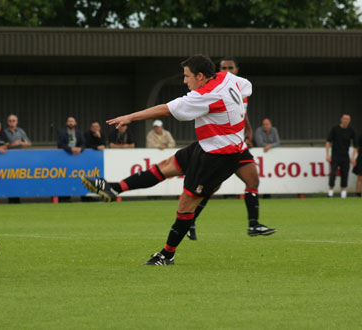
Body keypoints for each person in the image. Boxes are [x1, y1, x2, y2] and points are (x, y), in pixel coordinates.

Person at [81, 54, 257, 265]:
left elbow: (166, 109)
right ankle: (115, 188)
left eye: (187, 76)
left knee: (186, 202)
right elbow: (247, 87)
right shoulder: (227, 78)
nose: (184, 81)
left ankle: (167, 254)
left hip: (219, 157)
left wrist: (130, 117)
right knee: (165, 167)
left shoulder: (205, 95)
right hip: (207, 145)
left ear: (200, 76)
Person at [187, 57, 276, 240]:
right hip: (220, 147)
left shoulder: (239, 88)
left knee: (253, 181)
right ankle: (189, 221)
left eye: (230, 67)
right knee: (211, 187)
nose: (227, 70)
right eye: (223, 67)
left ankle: (253, 225)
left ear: (237, 69)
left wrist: (248, 129)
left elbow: (241, 113)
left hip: (238, 145)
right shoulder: (212, 89)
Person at [326, 114, 357, 198]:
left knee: (345, 174)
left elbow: (355, 145)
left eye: (347, 119)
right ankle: (330, 192)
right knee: (333, 173)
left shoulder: (351, 130)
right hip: (335, 155)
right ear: (341, 119)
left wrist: (353, 157)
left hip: (345, 156)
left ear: (349, 121)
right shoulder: (335, 129)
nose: (345, 120)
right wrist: (328, 154)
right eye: (344, 119)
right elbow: (328, 141)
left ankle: (343, 193)